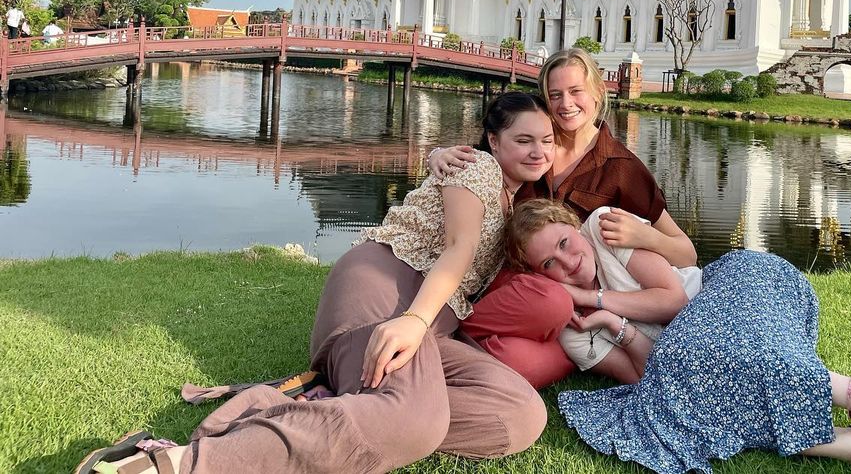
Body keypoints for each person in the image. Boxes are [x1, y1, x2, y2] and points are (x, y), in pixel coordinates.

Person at [77, 92, 556, 474]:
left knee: (519, 415)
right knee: (415, 421)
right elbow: (459, 248)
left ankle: (332, 407)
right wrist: (412, 320)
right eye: (524, 139)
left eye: (548, 140)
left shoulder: (518, 202)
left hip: (428, 324)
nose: (538, 151)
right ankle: (173, 462)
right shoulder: (477, 168)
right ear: (494, 141)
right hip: (385, 292)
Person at [506, 199, 851, 474]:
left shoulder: (602, 229)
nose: (567, 262)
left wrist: (595, 300)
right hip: (706, 362)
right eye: (549, 264)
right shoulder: (575, 335)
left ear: (574, 228)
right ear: (537, 276)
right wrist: (617, 328)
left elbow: (673, 300)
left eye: (564, 243)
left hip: (739, 286)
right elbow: (648, 378)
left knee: (704, 355)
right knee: (691, 384)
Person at [428, 47, 696, 388]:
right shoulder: (536, 145)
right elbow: (482, 160)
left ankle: (453, 348)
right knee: (534, 317)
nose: (566, 104)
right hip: (509, 278)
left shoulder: (623, 169)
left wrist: (646, 237)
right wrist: (438, 153)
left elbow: (687, 253)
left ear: (598, 92)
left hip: (562, 295)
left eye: (575, 91)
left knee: (530, 353)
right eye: (555, 95)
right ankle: (445, 333)